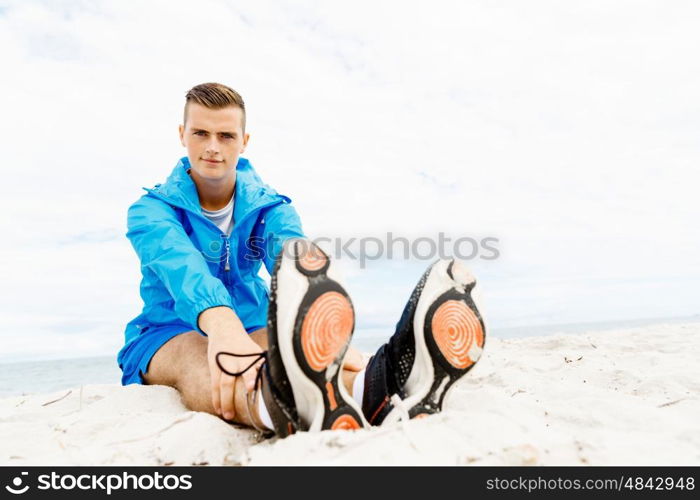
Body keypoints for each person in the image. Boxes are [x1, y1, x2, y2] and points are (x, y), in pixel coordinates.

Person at [117, 82, 486, 437]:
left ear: (244, 142)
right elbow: (180, 266)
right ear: (182, 134)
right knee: (204, 356)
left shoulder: (270, 207)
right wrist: (221, 325)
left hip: (252, 321)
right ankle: (278, 409)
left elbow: (292, 256)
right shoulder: (149, 211)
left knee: (292, 357)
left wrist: (329, 335)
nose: (213, 146)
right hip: (166, 331)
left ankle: (376, 390)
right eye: (201, 133)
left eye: (226, 136)